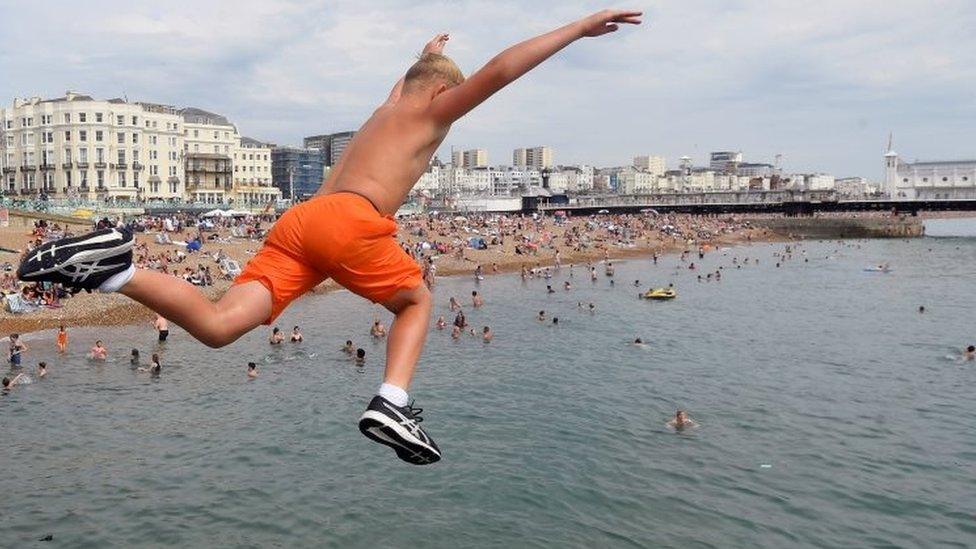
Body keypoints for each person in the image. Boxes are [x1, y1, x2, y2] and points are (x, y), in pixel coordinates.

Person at [15, 9, 642, 465]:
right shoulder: (432, 110)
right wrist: (577, 29)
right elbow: (503, 70)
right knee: (418, 299)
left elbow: (402, 84)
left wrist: (424, 54)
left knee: (218, 326)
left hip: (299, 226)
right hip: (348, 222)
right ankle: (392, 399)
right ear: (445, 93)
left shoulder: (385, 112)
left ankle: (111, 270)